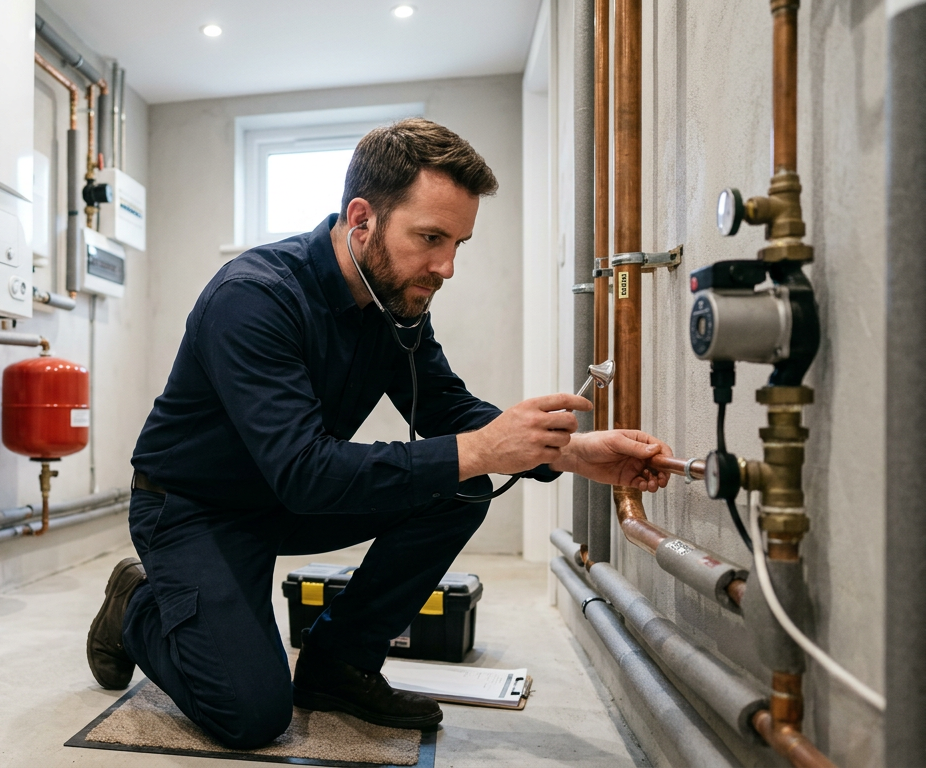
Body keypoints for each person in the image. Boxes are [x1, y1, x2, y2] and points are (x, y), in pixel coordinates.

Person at [85, 118, 671, 749]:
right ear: (361, 218)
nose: (445, 267)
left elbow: (447, 408)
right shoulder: (254, 298)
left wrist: (576, 452)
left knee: (461, 483)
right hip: (194, 509)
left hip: (283, 500)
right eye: (429, 238)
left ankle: (340, 664)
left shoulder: (392, 300)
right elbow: (306, 471)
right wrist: (482, 449)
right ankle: (137, 605)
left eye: (458, 244)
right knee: (251, 714)